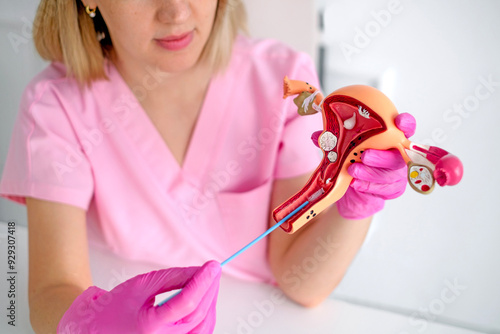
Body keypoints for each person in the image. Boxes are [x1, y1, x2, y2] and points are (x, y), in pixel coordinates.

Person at [0, 0, 415, 333]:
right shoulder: (56, 106)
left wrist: (358, 204)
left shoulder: (284, 82)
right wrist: (93, 324)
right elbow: (50, 290)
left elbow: (302, 283)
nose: (175, 12)